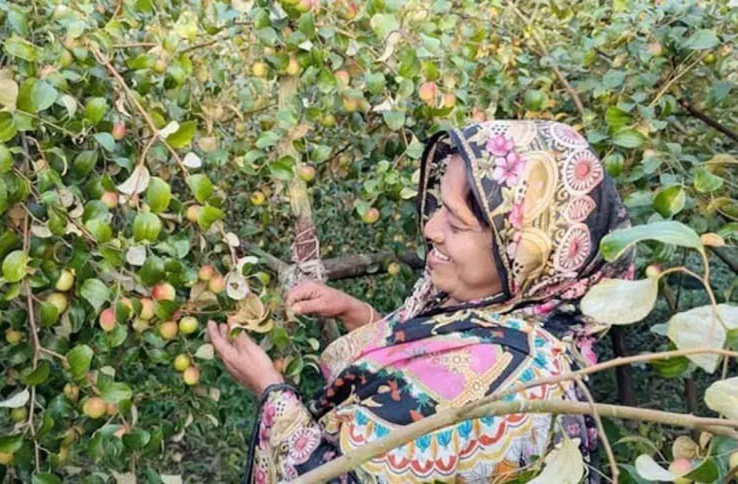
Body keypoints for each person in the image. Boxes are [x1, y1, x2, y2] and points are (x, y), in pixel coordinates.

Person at [207, 120, 635, 483]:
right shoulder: (515, 316)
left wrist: (270, 393)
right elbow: (424, 368)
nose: (430, 228)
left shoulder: (510, 387)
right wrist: (358, 314)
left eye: (456, 221)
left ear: (523, 252)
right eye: (437, 208)